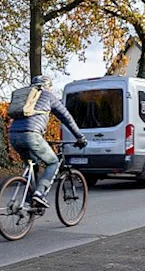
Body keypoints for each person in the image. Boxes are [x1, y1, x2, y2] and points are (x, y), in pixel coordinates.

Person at [9, 75, 87, 209]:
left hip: (13, 135)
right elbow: (66, 118)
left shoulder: (26, 98)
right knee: (53, 162)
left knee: (33, 165)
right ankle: (39, 194)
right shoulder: (48, 96)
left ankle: (29, 203)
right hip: (31, 135)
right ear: (47, 86)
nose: (51, 89)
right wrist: (80, 137)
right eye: (50, 86)